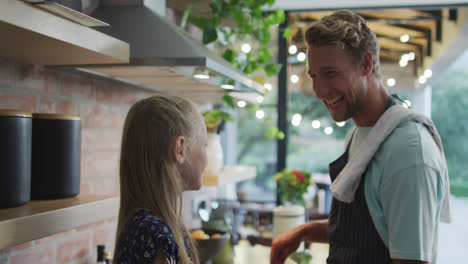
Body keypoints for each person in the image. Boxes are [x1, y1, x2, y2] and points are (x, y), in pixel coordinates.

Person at [270, 10, 451, 264]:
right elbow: (363, 234)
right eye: (314, 76)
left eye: (330, 73)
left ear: (366, 64)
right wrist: (305, 231)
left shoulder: (408, 152)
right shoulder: (361, 134)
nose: (319, 90)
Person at [113, 95, 208, 264]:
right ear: (180, 149)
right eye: (204, 145)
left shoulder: (145, 226)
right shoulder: (156, 235)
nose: (207, 158)